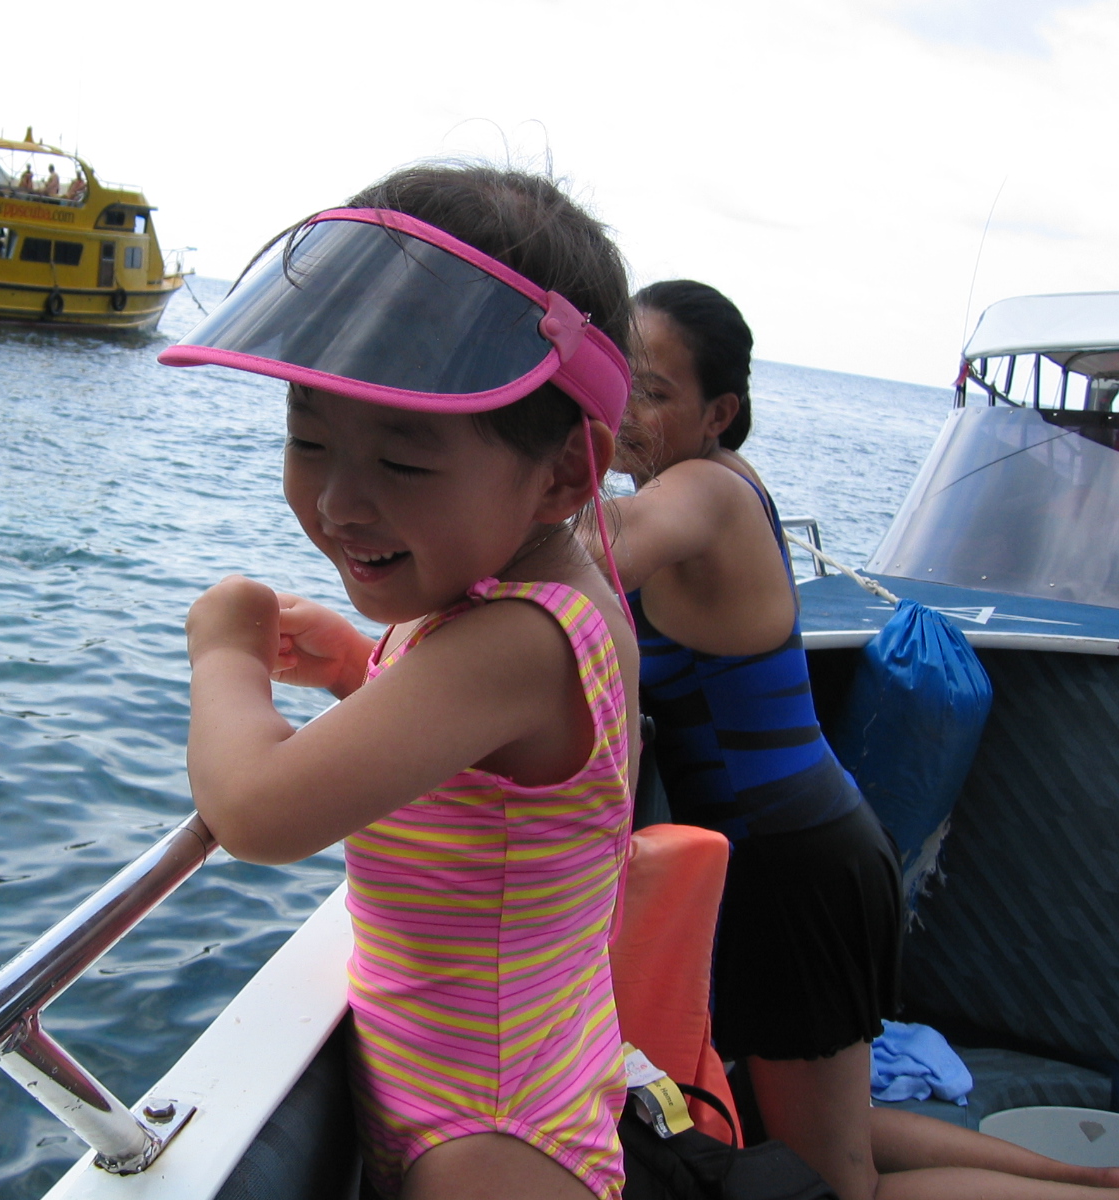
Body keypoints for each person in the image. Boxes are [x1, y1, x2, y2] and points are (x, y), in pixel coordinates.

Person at [165, 164, 640, 1200]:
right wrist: (353, 666)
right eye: (308, 440)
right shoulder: (516, 591)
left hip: (493, 1139)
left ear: (565, 472)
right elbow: (485, 781)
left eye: (405, 462)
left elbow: (257, 812)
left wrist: (226, 652)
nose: (339, 501)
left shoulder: (523, 637)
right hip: (485, 1080)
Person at [607, 279, 1119, 1200]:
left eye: (653, 390)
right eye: (616, 377)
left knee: (842, 1185)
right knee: (810, 1126)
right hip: (792, 853)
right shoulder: (706, 483)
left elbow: (595, 547)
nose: (624, 408)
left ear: (718, 413)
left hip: (791, 869)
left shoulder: (703, 492)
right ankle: (1085, 1178)